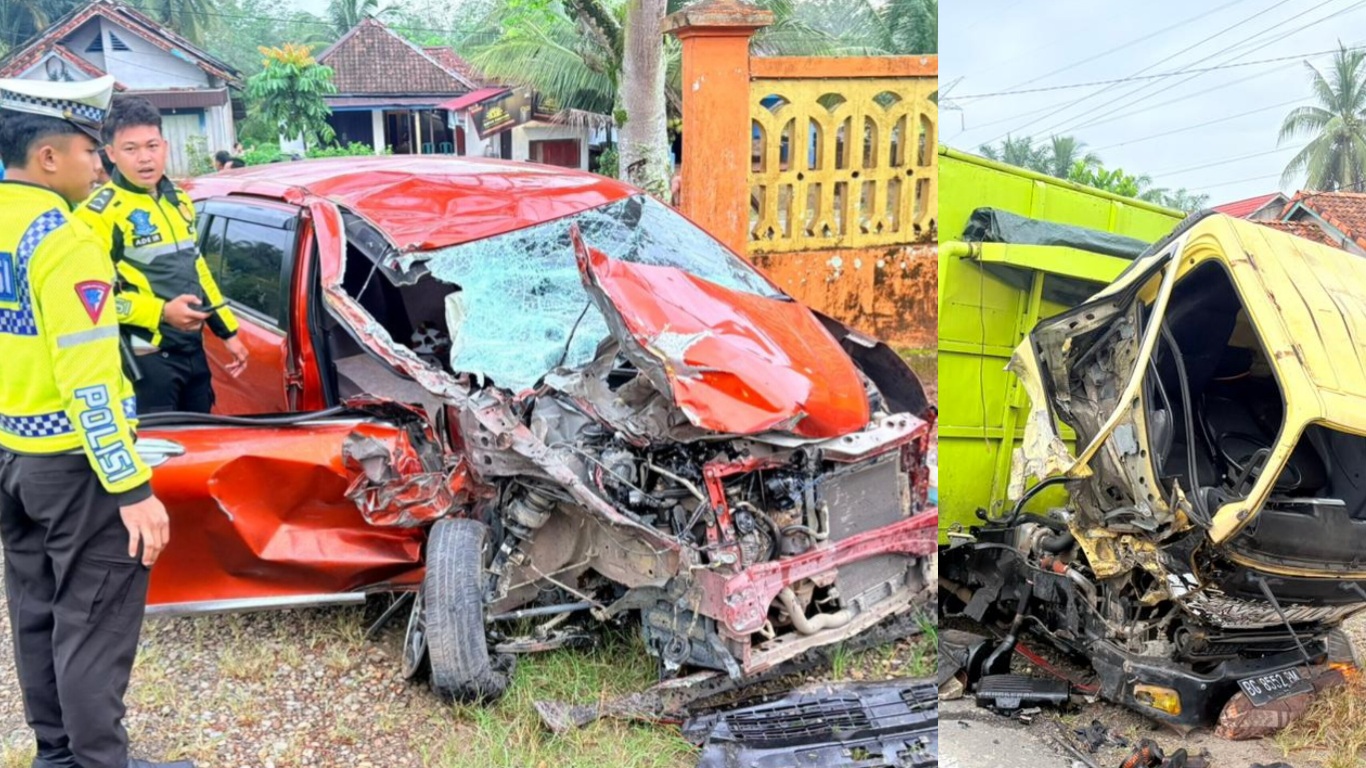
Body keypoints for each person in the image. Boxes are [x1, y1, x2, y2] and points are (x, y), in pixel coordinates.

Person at [0, 76, 189, 768]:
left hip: (10, 456)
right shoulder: (65, 238)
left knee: (36, 611)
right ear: (49, 157)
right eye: (92, 151)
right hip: (72, 464)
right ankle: (99, 762)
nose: (101, 166)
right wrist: (132, 488)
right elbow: (87, 378)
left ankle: (58, 756)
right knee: (93, 627)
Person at [78, 96, 247, 414]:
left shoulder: (178, 200)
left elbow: (199, 270)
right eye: (131, 149)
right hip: (145, 354)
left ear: (165, 146)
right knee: (163, 453)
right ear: (111, 154)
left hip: (193, 351)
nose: (145, 158)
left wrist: (229, 333)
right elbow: (89, 300)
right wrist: (159, 312)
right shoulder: (97, 214)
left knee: (202, 445)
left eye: (152, 146)